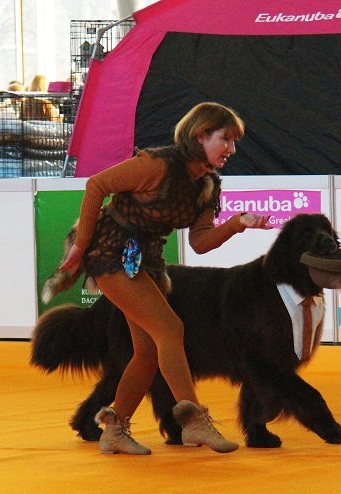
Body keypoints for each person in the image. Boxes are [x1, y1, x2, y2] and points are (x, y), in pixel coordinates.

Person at [53, 102, 272, 455]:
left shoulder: (207, 185)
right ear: (200, 135)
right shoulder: (156, 165)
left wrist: (236, 224)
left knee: (148, 352)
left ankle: (114, 430)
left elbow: (200, 243)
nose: (231, 149)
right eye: (225, 139)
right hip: (108, 253)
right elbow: (97, 185)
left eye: (234, 142)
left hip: (147, 261)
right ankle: (194, 421)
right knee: (169, 330)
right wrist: (80, 246)